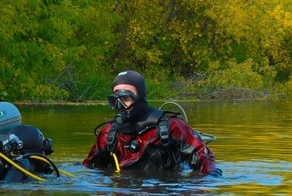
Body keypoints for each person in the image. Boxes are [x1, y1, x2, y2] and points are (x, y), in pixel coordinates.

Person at [83, 70, 222, 176]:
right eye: (115, 101)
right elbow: (90, 168)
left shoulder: (171, 127)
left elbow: (203, 158)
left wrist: (211, 174)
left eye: (126, 98)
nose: (121, 106)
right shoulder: (108, 134)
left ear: (140, 98)